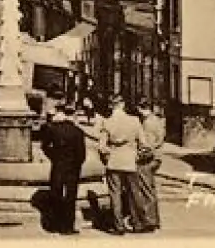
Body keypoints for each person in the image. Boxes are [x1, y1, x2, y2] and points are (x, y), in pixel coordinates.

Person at [96, 94, 147, 235]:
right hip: (130, 161)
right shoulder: (134, 121)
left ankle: (118, 226)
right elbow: (144, 144)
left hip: (114, 162)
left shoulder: (107, 122)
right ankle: (137, 223)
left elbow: (101, 147)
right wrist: (137, 155)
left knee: (115, 195)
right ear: (123, 105)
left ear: (111, 106)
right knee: (134, 193)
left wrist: (108, 155)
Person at [39, 103, 87, 234]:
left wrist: (53, 157)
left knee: (56, 193)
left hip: (58, 165)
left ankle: (54, 224)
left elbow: (44, 146)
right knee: (70, 196)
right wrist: (76, 164)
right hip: (73, 168)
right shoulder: (78, 132)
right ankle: (67, 226)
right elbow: (82, 154)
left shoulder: (53, 130)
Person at [134, 100, 166, 233]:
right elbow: (160, 139)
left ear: (140, 109)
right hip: (157, 158)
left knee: (145, 190)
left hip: (148, 159)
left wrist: (138, 156)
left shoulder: (147, 123)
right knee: (151, 189)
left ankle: (149, 222)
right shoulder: (157, 120)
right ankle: (155, 220)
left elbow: (147, 145)